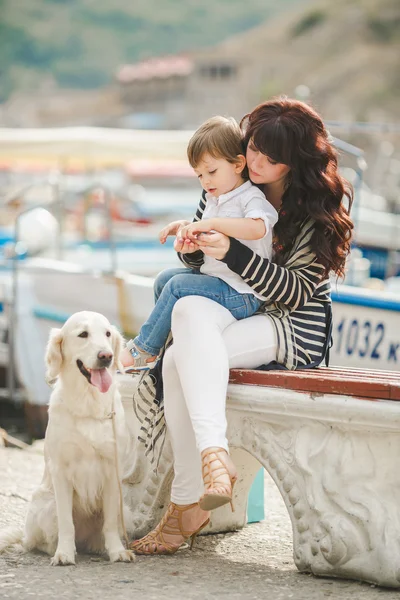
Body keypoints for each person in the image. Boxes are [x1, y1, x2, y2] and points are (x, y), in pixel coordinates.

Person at [128, 97, 354, 555]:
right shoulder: (225, 178)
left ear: (296, 161)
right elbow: (200, 260)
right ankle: (213, 464)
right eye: (253, 149)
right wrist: (193, 246)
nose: (255, 162)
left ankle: (186, 506)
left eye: (270, 158)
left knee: (176, 360)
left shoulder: (313, 209)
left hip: (289, 325)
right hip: (232, 306)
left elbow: (292, 293)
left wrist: (230, 250)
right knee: (186, 314)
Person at [123, 116, 278, 371]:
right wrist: (188, 230)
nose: (206, 182)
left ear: (238, 164)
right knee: (164, 279)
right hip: (219, 282)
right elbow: (209, 233)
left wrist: (212, 224)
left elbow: (258, 227)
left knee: (176, 285)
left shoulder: (250, 197)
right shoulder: (214, 198)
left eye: (212, 172)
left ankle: (144, 349)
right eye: (199, 176)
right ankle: (164, 347)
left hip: (242, 293)